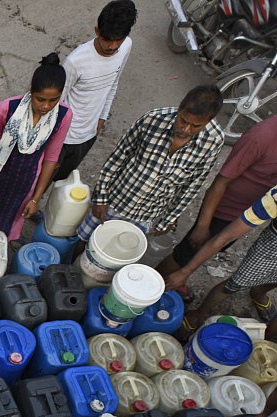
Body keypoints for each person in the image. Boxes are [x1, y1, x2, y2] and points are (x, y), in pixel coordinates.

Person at [76, 85, 225, 245]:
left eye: (196, 126)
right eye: (183, 120)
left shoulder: (214, 141)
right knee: (83, 241)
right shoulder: (152, 119)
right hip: (116, 200)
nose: (186, 129)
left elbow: (192, 185)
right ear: (180, 107)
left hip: (146, 215)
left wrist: (169, 218)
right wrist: (101, 198)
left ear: (209, 121)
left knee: (116, 253)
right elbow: (117, 158)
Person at [158, 114, 277, 299]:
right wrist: (202, 225)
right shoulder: (260, 137)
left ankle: (176, 279)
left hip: (252, 211)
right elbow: (219, 183)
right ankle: (154, 283)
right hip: (224, 210)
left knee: (208, 249)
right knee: (185, 254)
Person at [0, 54, 72, 245]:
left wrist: (35, 199)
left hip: (25, 182)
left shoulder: (63, 115)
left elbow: (50, 159)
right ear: (31, 91)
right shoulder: (7, 108)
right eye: (40, 99)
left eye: (53, 100)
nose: (46, 106)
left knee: (5, 228)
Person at [53, 0, 137, 181]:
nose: (113, 46)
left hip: (88, 136)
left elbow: (113, 83)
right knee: (39, 183)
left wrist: (102, 117)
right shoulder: (76, 61)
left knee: (60, 183)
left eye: (118, 40)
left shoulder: (126, 46)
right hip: (63, 138)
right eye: (107, 39)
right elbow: (57, 101)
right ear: (97, 31)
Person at [178, 184, 277, 335]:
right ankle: (199, 313)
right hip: (272, 248)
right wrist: (186, 271)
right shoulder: (274, 198)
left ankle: (258, 293)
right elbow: (226, 236)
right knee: (235, 283)